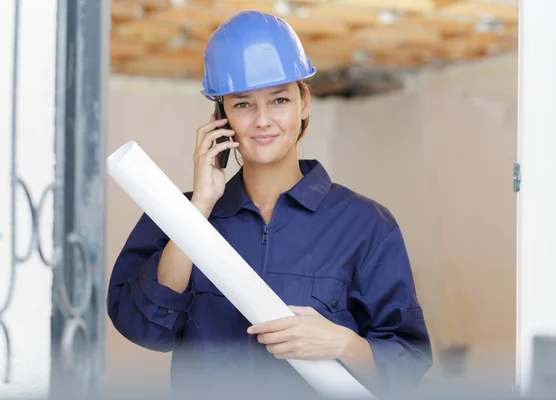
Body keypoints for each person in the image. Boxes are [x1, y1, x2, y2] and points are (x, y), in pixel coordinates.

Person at [107, 10, 432, 399]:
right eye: (243, 104)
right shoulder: (179, 217)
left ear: (304, 103)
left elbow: (408, 359)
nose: (262, 120)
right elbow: (143, 328)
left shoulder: (366, 225)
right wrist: (199, 208)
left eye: (278, 100)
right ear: (220, 116)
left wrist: (342, 343)